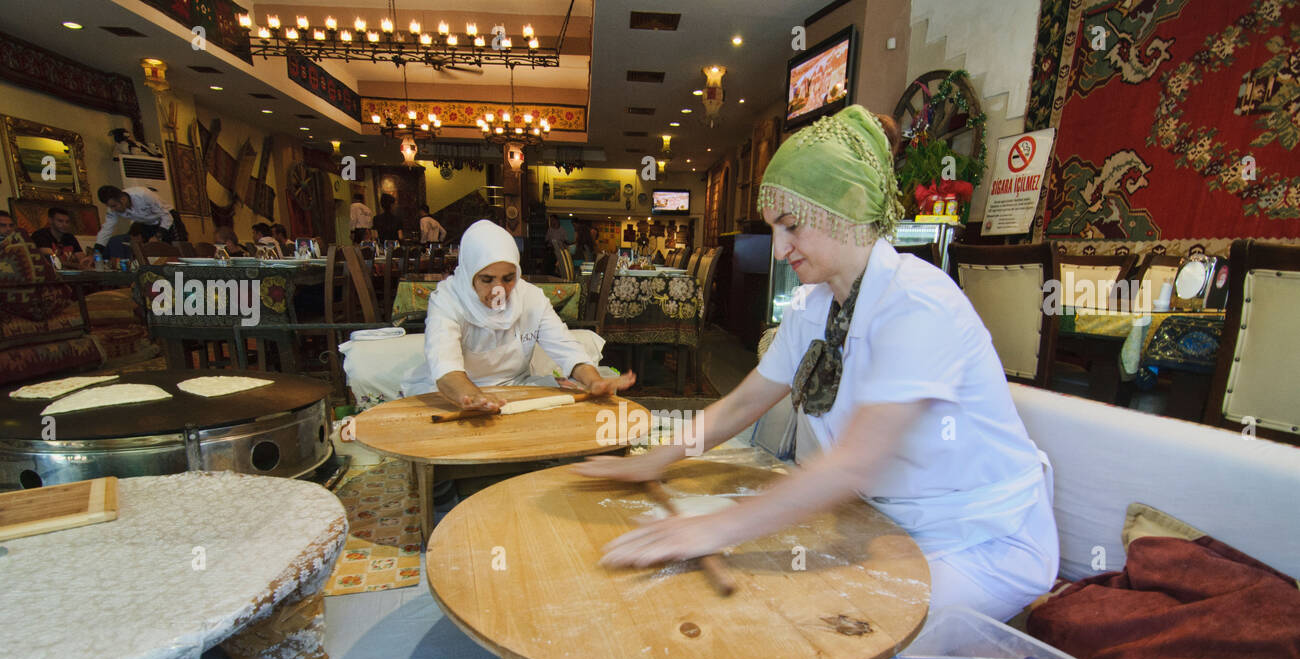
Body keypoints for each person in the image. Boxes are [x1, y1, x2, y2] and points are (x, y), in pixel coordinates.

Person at [575, 106, 1059, 623]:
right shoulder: (814, 306)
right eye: (773, 229)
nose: (780, 249)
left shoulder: (916, 303)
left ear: (848, 209)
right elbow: (743, 403)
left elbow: (855, 461)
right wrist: (656, 460)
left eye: (791, 226)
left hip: (978, 539)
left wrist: (714, 528)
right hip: (883, 521)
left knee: (832, 630)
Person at [401, 220, 635, 519]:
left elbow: (564, 346)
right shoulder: (448, 299)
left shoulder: (531, 298)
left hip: (517, 386)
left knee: (572, 420)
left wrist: (593, 380)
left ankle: (545, 481)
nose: (499, 289)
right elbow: (446, 368)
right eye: (487, 279)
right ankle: (445, 504)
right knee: (429, 439)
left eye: (508, 278)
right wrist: (473, 399)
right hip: (457, 391)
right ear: (470, 272)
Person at [93, 185, 186, 253]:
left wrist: (158, 236)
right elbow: (106, 230)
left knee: (178, 250)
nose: (112, 210)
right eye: (110, 207)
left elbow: (167, 217)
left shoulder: (143, 194)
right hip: (147, 223)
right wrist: (96, 252)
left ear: (123, 200)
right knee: (150, 252)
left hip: (168, 219)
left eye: (114, 206)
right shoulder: (112, 209)